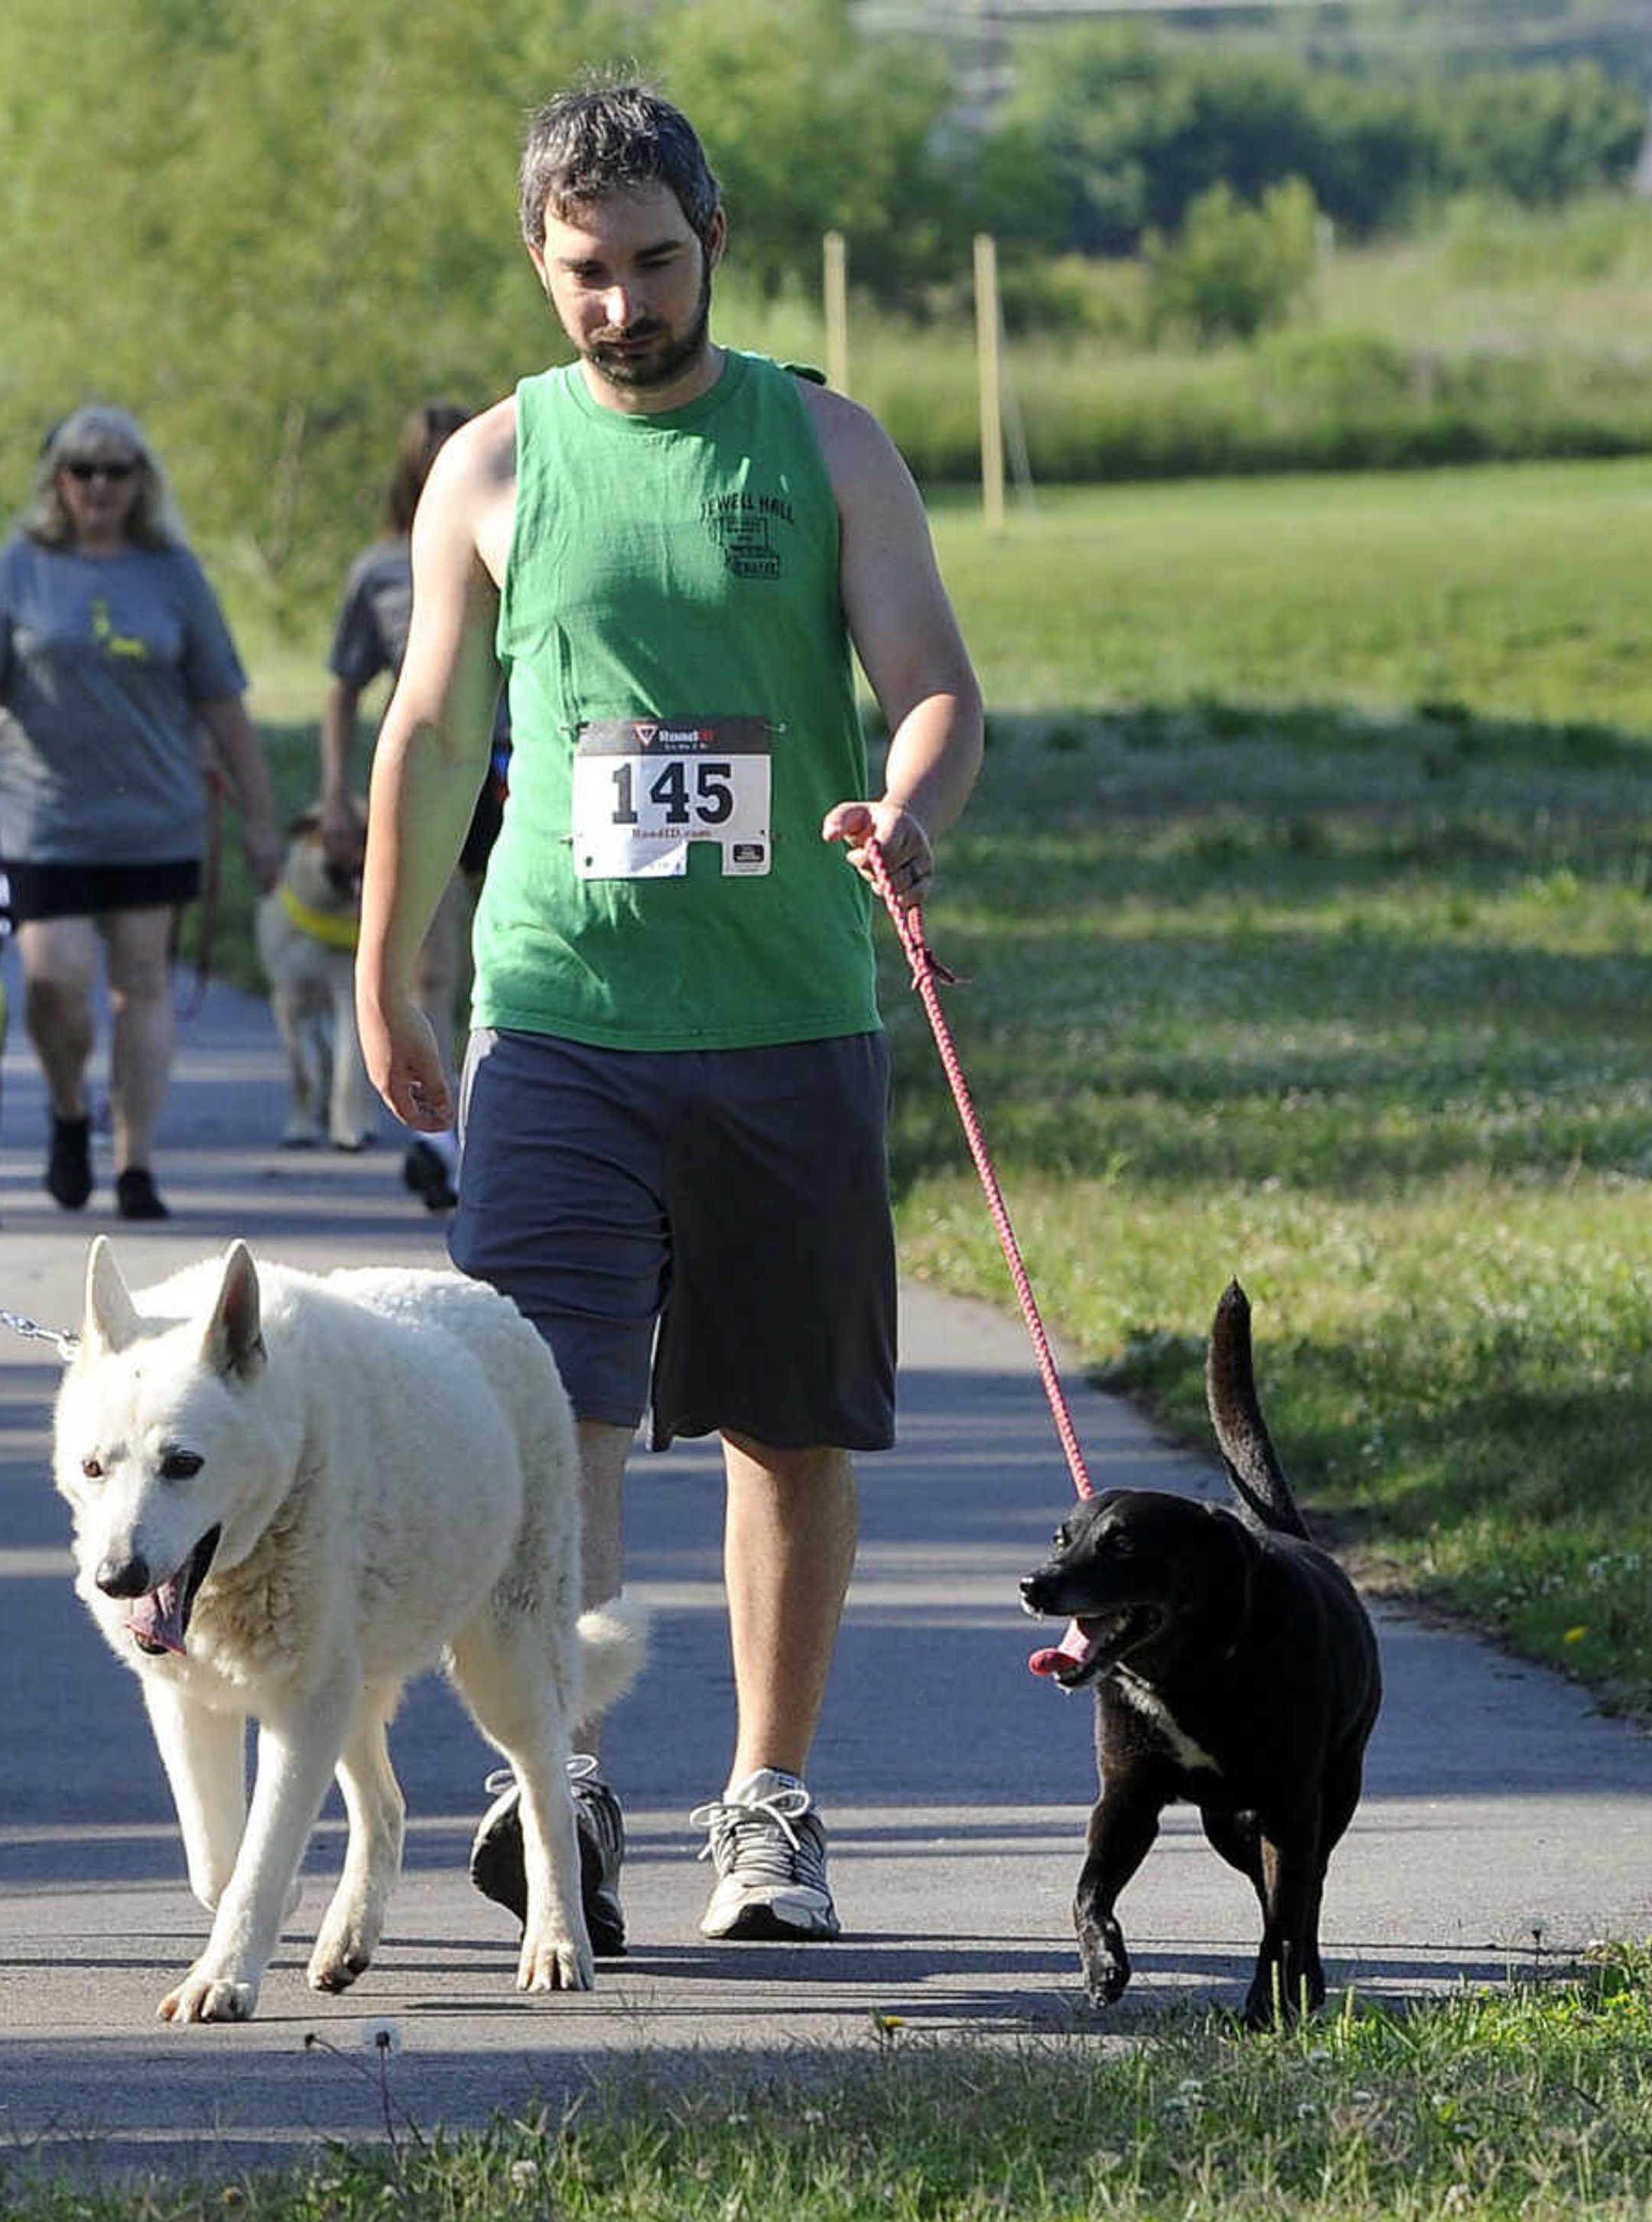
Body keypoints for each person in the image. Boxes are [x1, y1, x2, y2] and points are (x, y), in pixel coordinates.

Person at [354, 82, 984, 1954]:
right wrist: (387, 970)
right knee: (552, 1418)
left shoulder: (823, 443)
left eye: (648, 263)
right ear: (537, 263)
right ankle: (569, 1777)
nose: (618, 304)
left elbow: (935, 686)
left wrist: (905, 810)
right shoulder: (492, 463)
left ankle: (767, 1805)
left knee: (785, 1428)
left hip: (787, 1012)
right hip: (554, 1012)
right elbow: (430, 733)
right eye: (582, 273)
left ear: (708, 239)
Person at [0, 405, 281, 1221]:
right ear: (58, 480)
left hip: (154, 813)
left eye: (116, 471)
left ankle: (135, 1162)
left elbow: (225, 702)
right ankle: (66, 1111)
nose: (98, 486)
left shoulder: (174, 573)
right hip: (43, 816)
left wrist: (260, 817)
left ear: (141, 482)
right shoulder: (19, 567)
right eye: (82, 470)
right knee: (56, 983)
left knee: (142, 984)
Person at [318, 401, 500, 1216]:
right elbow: (344, 687)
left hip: (516, 772)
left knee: (508, 958)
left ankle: (499, 1116)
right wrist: (335, 792)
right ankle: (441, 1135)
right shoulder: (383, 570)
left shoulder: (517, 534)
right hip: (435, 778)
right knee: (431, 963)